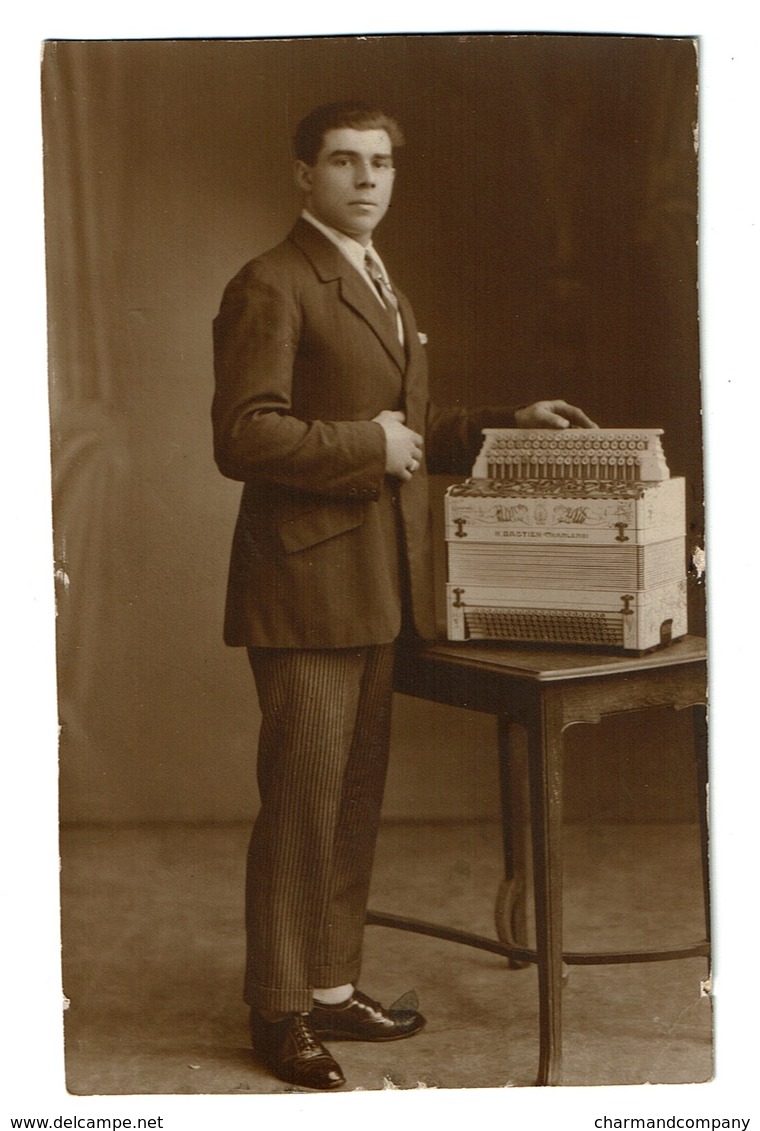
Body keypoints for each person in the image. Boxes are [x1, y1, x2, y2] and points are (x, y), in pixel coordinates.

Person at [212, 100, 596, 1091]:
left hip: (376, 584)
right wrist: (368, 447)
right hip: (302, 586)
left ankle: (332, 988)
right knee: (301, 805)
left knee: (348, 802)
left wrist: (501, 424)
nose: (366, 179)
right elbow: (243, 436)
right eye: (344, 161)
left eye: (381, 162)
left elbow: (406, 426)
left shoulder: (375, 279)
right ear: (305, 175)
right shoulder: (271, 282)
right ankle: (277, 1011)